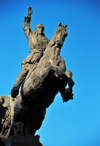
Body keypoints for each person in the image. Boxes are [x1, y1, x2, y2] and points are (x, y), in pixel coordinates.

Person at [11, 7, 50, 98]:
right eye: (38, 28)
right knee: (24, 71)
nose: (40, 29)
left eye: (42, 28)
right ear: (36, 29)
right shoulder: (31, 35)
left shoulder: (47, 41)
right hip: (31, 58)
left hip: (41, 60)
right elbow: (25, 27)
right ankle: (15, 88)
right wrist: (28, 16)